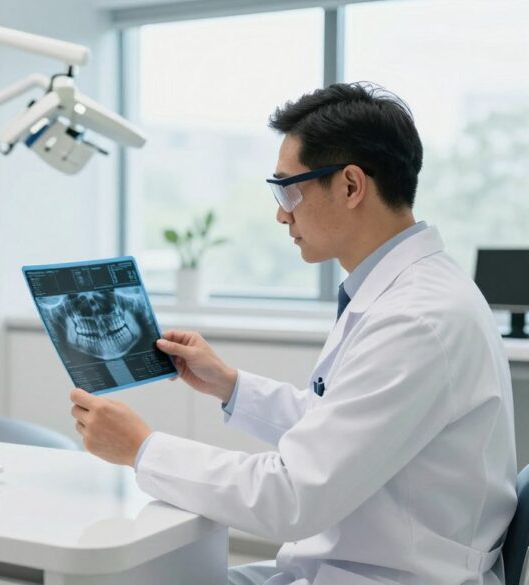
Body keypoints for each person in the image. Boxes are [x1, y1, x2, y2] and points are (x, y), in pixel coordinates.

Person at [69, 82, 517, 584]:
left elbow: (292, 497)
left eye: (288, 188)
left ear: (350, 186)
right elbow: (336, 426)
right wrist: (230, 385)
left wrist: (142, 448)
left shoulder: (417, 319)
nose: (281, 212)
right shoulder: (403, 291)